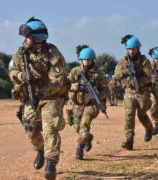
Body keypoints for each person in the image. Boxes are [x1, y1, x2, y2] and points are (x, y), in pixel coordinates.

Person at [9, 17, 67, 179]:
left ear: (37, 39)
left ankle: (51, 162)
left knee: (50, 127)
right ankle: (40, 150)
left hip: (50, 97)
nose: (24, 40)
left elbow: (57, 80)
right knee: (31, 130)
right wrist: (23, 76)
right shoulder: (20, 53)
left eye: (27, 37)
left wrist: (42, 91)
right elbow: (12, 71)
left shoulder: (53, 54)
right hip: (29, 97)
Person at [114, 34, 158, 150]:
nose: (131, 51)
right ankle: (129, 140)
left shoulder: (144, 61)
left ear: (138, 48)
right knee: (129, 115)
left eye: (133, 49)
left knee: (142, 115)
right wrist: (125, 72)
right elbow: (116, 75)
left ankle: (149, 129)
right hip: (129, 93)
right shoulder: (123, 61)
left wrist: (140, 80)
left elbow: (151, 77)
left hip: (143, 93)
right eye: (129, 49)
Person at [68, 45, 109, 160]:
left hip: (92, 105)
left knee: (84, 125)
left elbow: (106, 89)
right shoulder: (75, 71)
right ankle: (88, 138)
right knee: (77, 128)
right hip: (78, 104)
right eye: (85, 59)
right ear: (81, 59)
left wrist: (97, 96)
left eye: (90, 59)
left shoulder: (99, 73)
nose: (87, 61)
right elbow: (65, 85)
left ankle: (79, 149)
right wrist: (78, 86)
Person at [148, 47, 158, 135]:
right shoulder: (150, 67)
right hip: (154, 91)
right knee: (153, 108)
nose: (157, 60)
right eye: (156, 58)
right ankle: (156, 124)